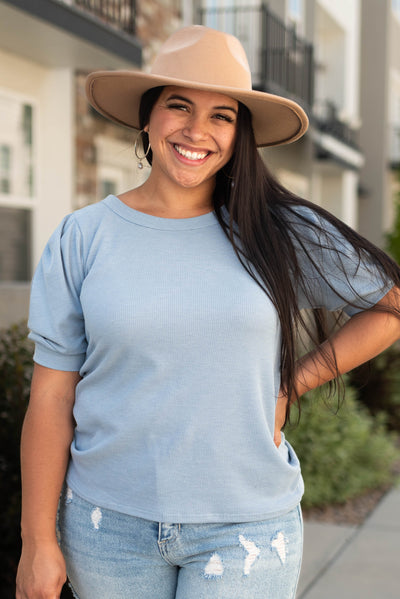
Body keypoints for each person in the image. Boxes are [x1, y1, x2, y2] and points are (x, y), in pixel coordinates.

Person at [16, 25, 400, 599]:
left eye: (222, 115)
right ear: (147, 117)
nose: (197, 131)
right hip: (107, 526)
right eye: (178, 106)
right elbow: (51, 395)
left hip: (246, 526)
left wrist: (292, 383)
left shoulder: (278, 230)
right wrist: (36, 543)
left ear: (239, 133)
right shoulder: (83, 236)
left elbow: (389, 306)